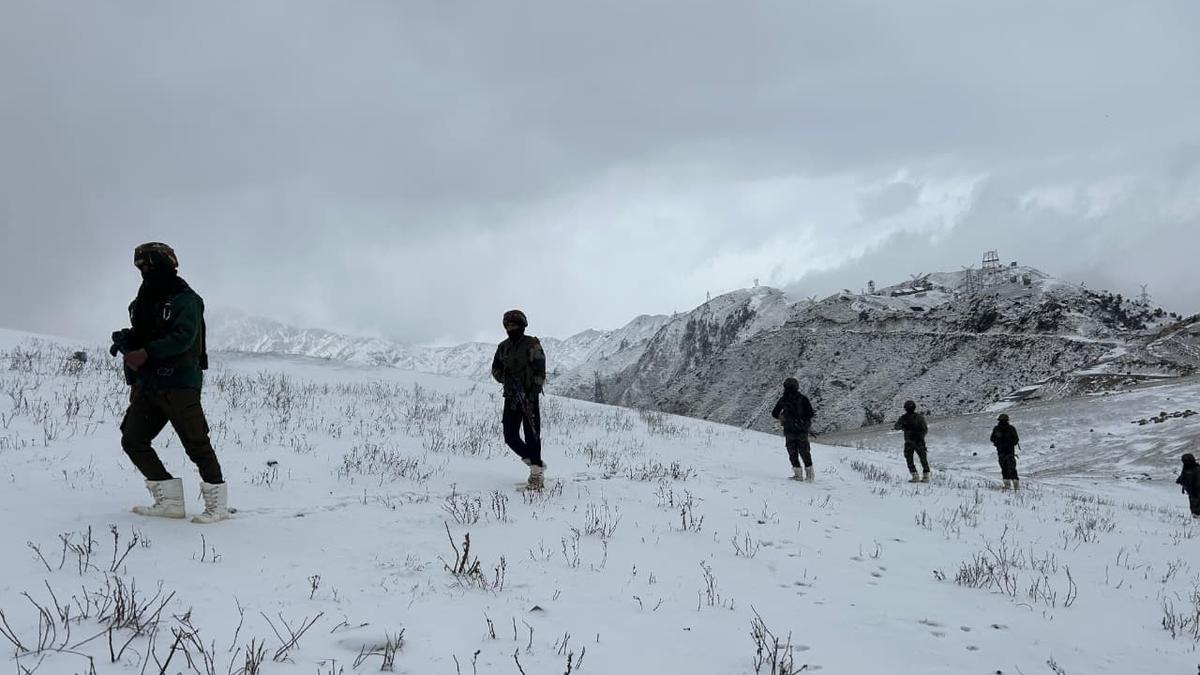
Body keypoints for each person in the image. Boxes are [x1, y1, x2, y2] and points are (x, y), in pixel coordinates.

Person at [114, 243, 229, 523]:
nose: (144, 271)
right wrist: (127, 341)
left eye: (149, 265)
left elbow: (183, 338)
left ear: (166, 264)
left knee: (196, 443)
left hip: (180, 384)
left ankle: (217, 508)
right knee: (133, 439)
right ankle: (170, 502)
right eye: (140, 266)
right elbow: (145, 334)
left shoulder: (186, 300)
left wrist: (146, 353)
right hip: (149, 385)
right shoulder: (141, 301)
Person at [491, 310, 547, 489]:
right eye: (508, 326)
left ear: (522, 325)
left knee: (532, 436)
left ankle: (536, 476)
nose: (510, 328)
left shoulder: (532, 344)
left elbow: (540, 369)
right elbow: (495, 369)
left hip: (529, 397)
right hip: (511, 396)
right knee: (510, 436)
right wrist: (505, 379)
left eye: (514, 325)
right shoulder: (503, 347)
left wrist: (534, 390)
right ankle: (535, 463)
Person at [771, 378, 815, 481]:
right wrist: (803, 421)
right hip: (802, 430)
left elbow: (774, 413)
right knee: (805, 452)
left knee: (792, 453)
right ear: (797, 387)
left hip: (789, 430)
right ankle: (810, 476)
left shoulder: (783, 400)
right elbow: (810, 414)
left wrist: (783, 417)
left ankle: (798, 475)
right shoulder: (803, 399)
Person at [893, 400, 930, 483]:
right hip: (919, 441)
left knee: (909, 459)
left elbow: (896, 427)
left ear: (905, 408)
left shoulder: (903, 418)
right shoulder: (919, 417)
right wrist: (921, 437)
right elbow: (925, 429)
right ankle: (925, 476)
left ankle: (915, 476)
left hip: (909, 441)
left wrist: (904, 427)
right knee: (923, 458)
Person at [990, 413, 1020, 489]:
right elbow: (1016, 440)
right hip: (1010, 452)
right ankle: (1016, 485)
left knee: (1004, 468)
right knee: (1012, 468)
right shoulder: (1011, 428)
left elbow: (992, 439)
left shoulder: (996, 429)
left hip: (1001, 452)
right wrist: (1010, 444)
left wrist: (997, 443)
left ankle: (1007, 485)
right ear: (1007, 420)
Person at [1175, 453, 1200, 519]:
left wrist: (1194, 487)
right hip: (1190, 490)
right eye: (1184, 461)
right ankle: (1195, 516)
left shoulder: (1196, 468)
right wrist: (1179, 480)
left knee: (1196, 502)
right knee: (1193, 502)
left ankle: (1196, 515)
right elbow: (1183, 476)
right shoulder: (1186, 468)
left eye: (1185, 460)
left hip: (1196, 490)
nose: (1184, 462)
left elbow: (1198, 479)